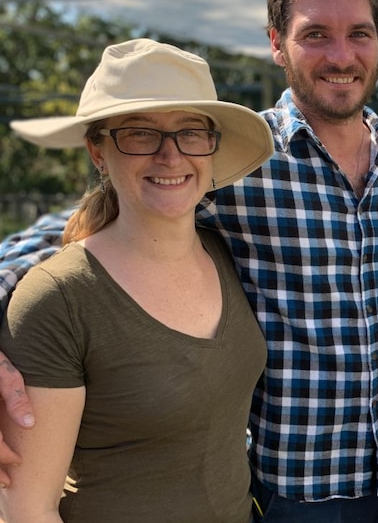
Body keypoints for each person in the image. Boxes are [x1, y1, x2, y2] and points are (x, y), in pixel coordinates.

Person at [0, 0, 378, 522]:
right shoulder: (241, 162)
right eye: (316, 35)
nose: (342, 55)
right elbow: (91, 231)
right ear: (277, 43)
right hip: (299, 489)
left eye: (360, 33)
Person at [0, 38, 275, 522]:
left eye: (190, 132)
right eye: (140, 134)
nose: (170, 156)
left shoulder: (226, 252)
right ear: (98, 151)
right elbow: (26, 511)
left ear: (211, 147)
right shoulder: (58, 298)